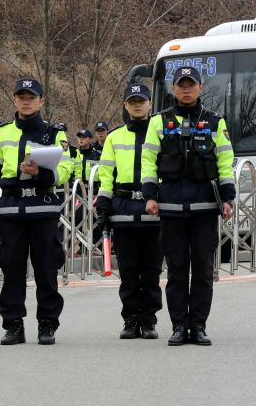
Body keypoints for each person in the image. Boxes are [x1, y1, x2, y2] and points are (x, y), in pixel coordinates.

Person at [141, 66, 235, 346]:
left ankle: (199, 326)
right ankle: (180, 326)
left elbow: (225, 162)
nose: (185, 89)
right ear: (173, 88)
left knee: (204, 269)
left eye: (190, 84)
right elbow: (148, 161)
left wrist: (228, 197)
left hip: (205, 206)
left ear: (200, 88)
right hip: (170, 206)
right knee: (177, 269)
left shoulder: (215, 122)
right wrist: (149, 195)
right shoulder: (158, 122)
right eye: (181, 84)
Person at [0, 78, 71, 345]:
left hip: (43, 209)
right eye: (21, 96)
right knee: (12, 271)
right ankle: (13, 325)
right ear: (15, 100)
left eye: (31, 96)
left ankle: (47, 324)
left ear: (41, 100)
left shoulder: (56, 133)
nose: (26, 100)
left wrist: (41, 174)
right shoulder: (2, 134)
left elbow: (66, 170)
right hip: (11, 211)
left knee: (46, 270)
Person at [96, 83, 163, 340]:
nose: (137, 105)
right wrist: (103, 206)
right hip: (123, 210)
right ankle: (131, 319)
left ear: (149, 104)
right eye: (132, 101)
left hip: (152, 210)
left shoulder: (160, 134)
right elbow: (106, 177)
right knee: (128, 271)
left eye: (142, 100)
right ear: (125, 105)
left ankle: (149, 320)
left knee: (151, 271)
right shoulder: (113, 137)